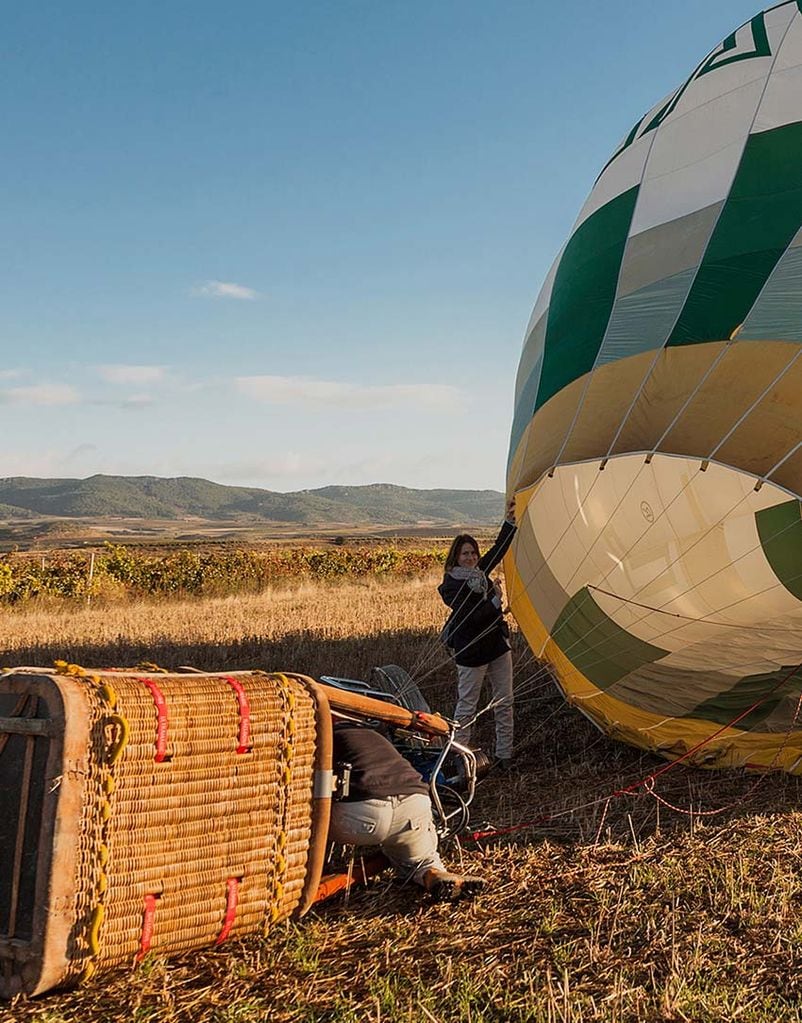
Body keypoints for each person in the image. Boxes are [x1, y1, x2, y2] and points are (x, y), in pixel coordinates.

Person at [328, 719, 484, 901]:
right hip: (416, 804)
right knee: (423, 861)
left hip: (362, 816)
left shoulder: (325, 735)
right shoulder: (374, 737)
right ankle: (433, 874)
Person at [439, 500, 517, 767]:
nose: (471, 558)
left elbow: (498, 550)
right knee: (467, 707)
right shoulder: (451, 586)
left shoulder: (480, 574)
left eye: (473, 553)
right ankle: (461, 760)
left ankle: (504, 754)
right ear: (455, 558)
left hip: (496, 646)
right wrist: (495, 601)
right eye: (465, 554)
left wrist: (510, 521)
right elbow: (472, 616)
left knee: (505, 701)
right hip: (471, 652)